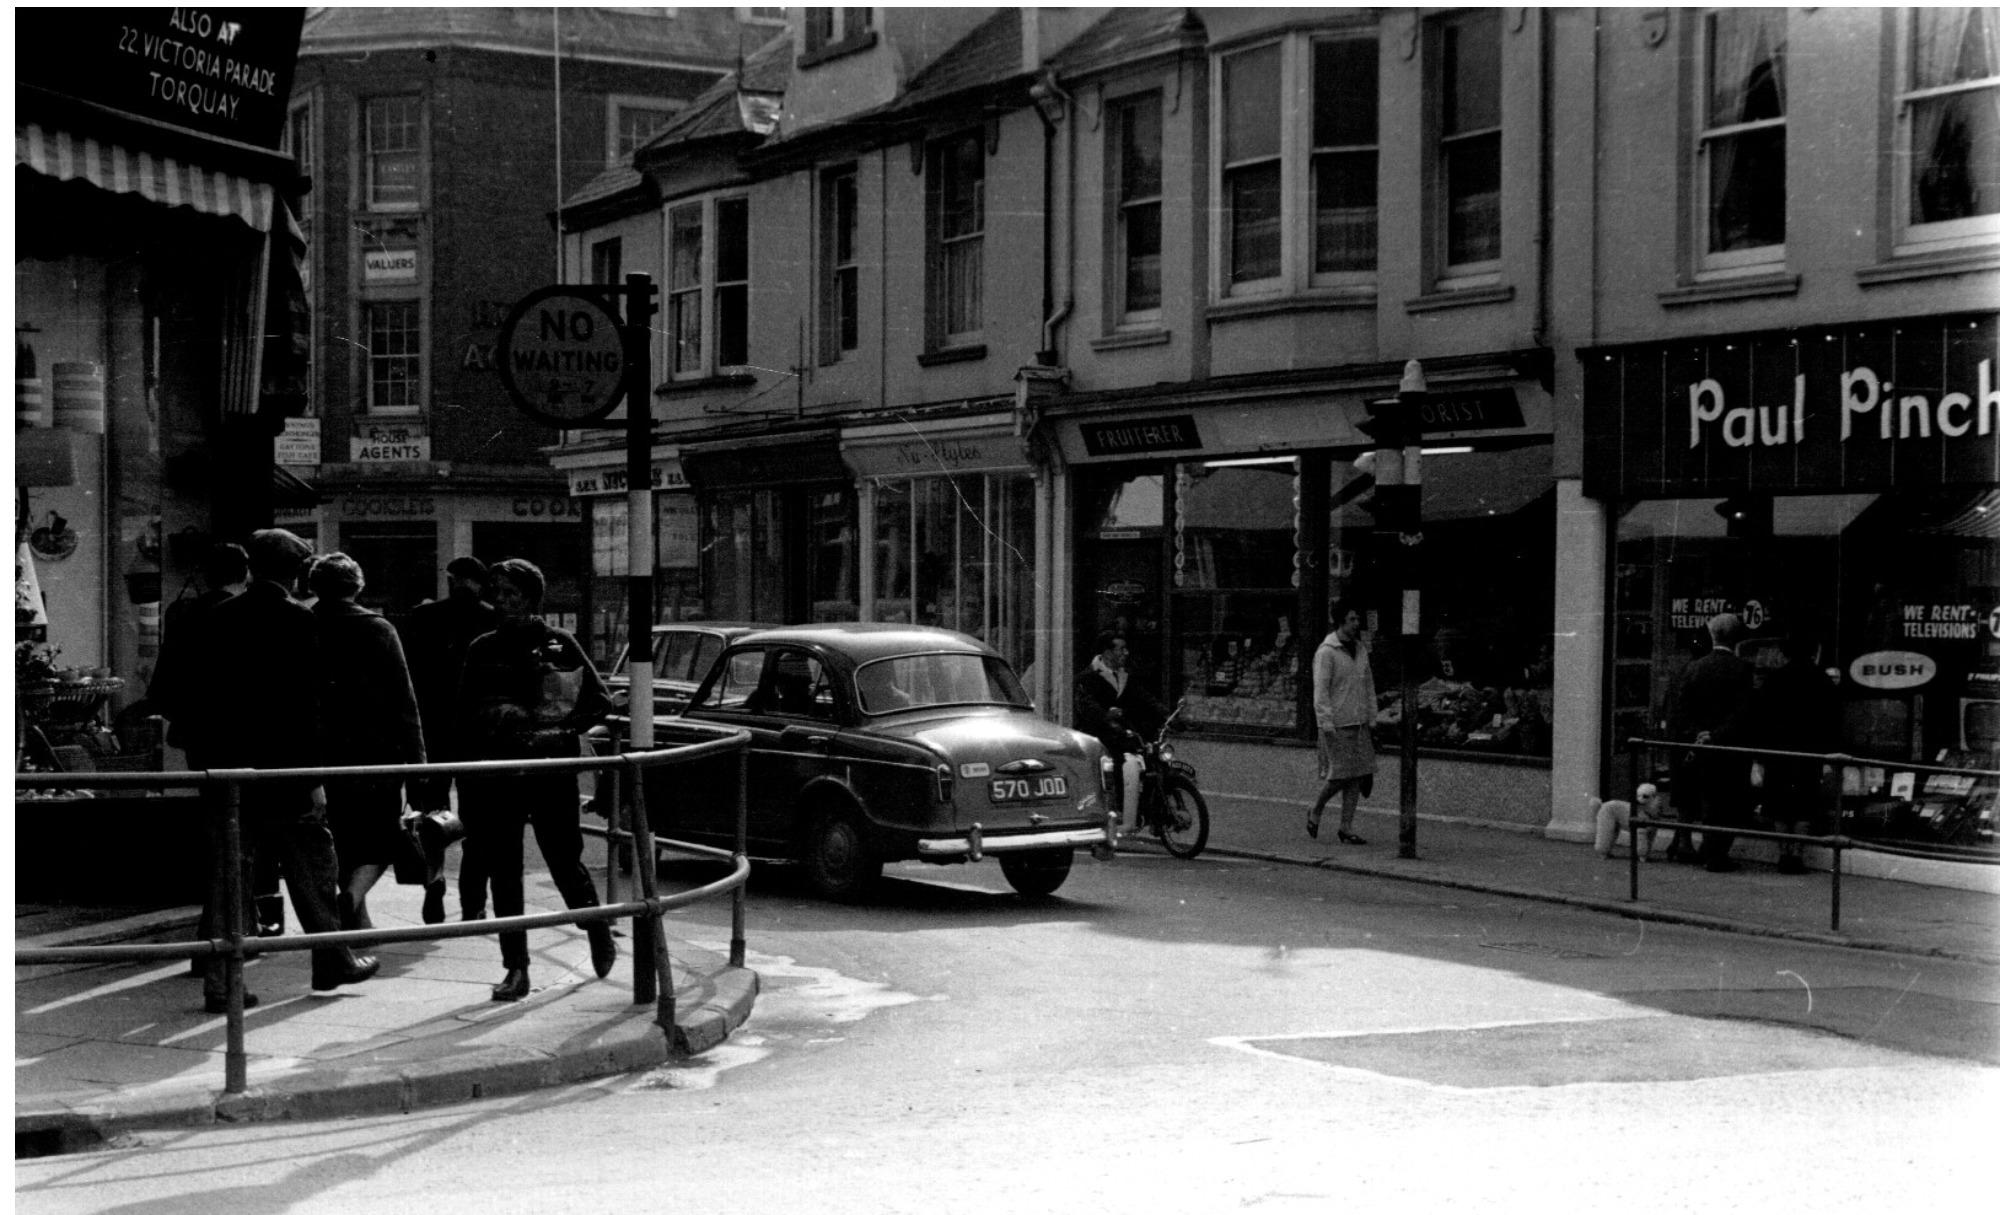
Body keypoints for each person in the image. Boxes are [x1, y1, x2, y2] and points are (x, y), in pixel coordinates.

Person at [190, 529, 378, 1012]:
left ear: (251, 566)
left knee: (230, 875)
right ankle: (334, 956)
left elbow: (201, 697)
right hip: (286, 770)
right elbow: (307, 704)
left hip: (229, 768)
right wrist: (315, 777)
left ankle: (221, 982)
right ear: (296, 572)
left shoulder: (218, 617)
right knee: (314, 867)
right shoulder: (299, 619)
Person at [455, 558, 615, 1002]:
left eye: (513, 595)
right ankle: (516, 968)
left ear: (532, 598)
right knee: (505, 869)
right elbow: (464, 708)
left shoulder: (559, 643)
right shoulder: (483, 647)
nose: (504, 602)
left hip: (549, 771)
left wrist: (564, 726)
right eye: (499, 593)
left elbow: (598, 699)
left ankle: (595, 925)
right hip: (501, 771)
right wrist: (496, 718)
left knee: (564, 860)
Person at [310, 553, 427, 930]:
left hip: (322, 751)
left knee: (340, 838)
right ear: (357, 587)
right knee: (382, 837)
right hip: (377, 751)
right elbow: (404, 701)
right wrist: (418, 763)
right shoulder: (379, 629)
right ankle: (353, 898)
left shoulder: (305, 624)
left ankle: (358, 921)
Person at [397, 555, 498, 924]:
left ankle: (434, 882)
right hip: (477, 736)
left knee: (429, 816)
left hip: (431, 734)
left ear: (451, 579)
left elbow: (405, 679)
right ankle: (473, 901)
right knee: (478, 821)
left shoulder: (423, 617)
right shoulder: (493, 619)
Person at [1664, 611, 1756, 873]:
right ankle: (1717, 854)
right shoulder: (1743, 669)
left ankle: (1707, 849)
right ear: (1736, 636)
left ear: (1712, 635)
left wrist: (1699, 734)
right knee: (1730, 801)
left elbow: (1681, 709)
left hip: (1701, 748)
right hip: (1730, 747)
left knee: (1707, 799)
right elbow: (1743, 712)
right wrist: (1716, 734)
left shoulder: (1694, 668)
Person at [1750, 636, 1837, 874]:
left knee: (1778, 804)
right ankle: (1797, 854)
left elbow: (1762, 717)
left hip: (1778, 750)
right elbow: (1831, 720)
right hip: (1809, 751)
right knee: (1804, 804)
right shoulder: (1822, 680)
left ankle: (1783, 852)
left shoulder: (1774, 679)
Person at [1073, 630, 1163, 830]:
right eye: (1120, 649)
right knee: (1116, 764)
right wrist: (1105, 715)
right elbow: (1087, 705)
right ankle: (1117, 810)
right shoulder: (1087, 677)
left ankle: (1149, 811)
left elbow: (1145, 698)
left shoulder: (1124, 677)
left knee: (1150, 759)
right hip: (1097, 734)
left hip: (1121, 732)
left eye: (1125, 648)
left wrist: (1167, 714)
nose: (1126, 653)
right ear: (1106, 652)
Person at [1308, 600, 1378, 846]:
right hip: (1337, 723)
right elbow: (1321, 690)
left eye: (1357, 620)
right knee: (1338, 775)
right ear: (1340, 622)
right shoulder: (1327, 652)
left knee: (1356, 776)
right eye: (1352, 620)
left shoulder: (1360, 650)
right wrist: (1325, 723)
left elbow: (1367, 684)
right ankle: (1315, 809)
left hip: (1358, 722)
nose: (1356, 624)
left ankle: (1346, 826)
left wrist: (1372, 715)